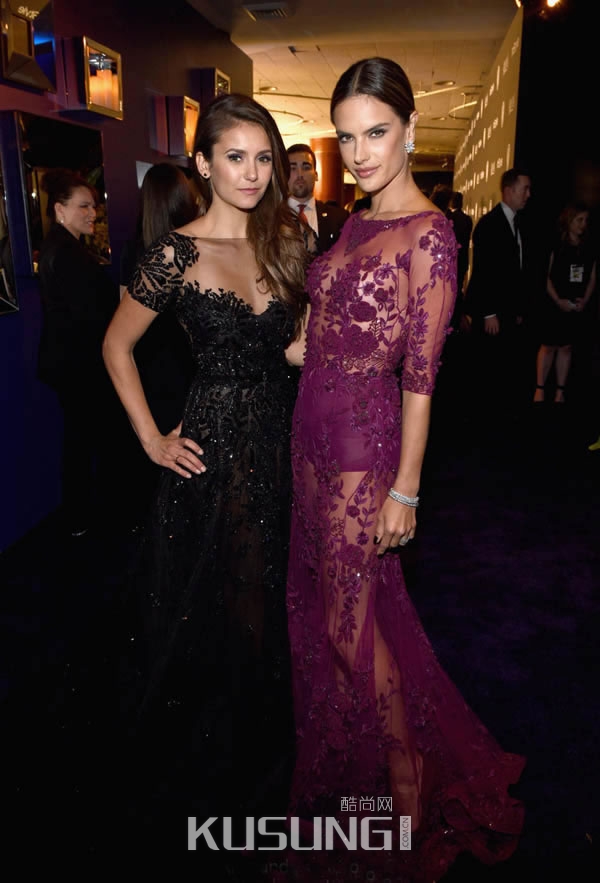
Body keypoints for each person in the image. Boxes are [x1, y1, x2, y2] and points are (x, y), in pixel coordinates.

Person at [286, 57, 525, 882]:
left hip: (364, 447)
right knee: (332, 614)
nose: (359, 153)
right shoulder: (353, 224)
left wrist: (406, 488)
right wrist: (302, 341)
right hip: (308, 434)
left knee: (349, 626)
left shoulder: (430, 234)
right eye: (347, 137)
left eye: (376, 133)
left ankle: (407, 775)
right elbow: (327, 318)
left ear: (411, 128)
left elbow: (421, 375)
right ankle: (371, 757)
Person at [102, 94, 310, 819]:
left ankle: (268, 736)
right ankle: (237, 757)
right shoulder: (176, 252)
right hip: (214, 448)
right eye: (235, 157)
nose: (252, 173)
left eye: (263, 159)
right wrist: (151, 439)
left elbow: (291, 348)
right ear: (203, 163)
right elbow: (116, 345)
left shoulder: (285, 242)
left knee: (279, 588)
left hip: (283, 439)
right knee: (234, 595)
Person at [37, 168, 120, 537]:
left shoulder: (63, 247)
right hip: (77, 364)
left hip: (72, 362)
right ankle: (81, 517)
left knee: (81, 438)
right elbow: (88, 314)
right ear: (60, 209)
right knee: (84, 440)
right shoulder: (65, 251)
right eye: (83, 206)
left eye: (94, 206)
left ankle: (81, 515)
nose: (93, 213)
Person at [119, 163, 199, 519]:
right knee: (187, 455)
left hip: (149, 363)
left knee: (161, 456)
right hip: (183, 364)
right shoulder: (190, 248)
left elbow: (123, 315)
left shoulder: (135, 249)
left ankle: (159, 522)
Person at [465, 167, 532, 415]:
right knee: (489, 367)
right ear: (509, 190)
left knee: (504, 366)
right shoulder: (490, 225)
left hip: (508, 311)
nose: (528, 195)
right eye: (525, 189)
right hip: (492, 313)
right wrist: (489, 312)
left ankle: (500, 412)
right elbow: (485, 272)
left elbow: (516, 270)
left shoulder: (518, 223)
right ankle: (485, 415)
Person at [533, 203, 597, 403]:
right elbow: (545, 276)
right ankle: (540, 389)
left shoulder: (588, 247)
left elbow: (592, 276)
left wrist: (585, 299)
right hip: (555, 303)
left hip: (575, 304)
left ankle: (560, 391)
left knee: (566, 347)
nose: (583, 224)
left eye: (586, 220)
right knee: (548, 345)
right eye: (579, 220)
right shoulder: (556, 245)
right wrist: (557, 300)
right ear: (569, 221)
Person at [287, 142, 349, 253]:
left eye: (306, 167)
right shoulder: (270, 219)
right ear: (283, 175)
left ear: (316, 175)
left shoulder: (339, 219)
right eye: (293, 168)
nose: (300, 174)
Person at [448, 190, 473, 327]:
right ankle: (457, 319)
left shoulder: (449, 218)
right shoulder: (467, 219)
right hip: (463, 259)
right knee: (458, 289)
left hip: (450, 260)